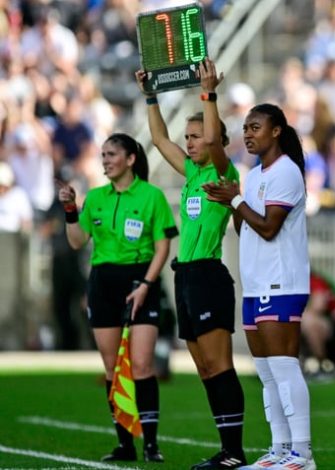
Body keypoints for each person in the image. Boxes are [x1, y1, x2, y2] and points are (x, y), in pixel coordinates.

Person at [136, 59, 247, 469]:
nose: (190, 142)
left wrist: (209, 93)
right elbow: (159, 137)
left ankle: (235, 452)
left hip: (208, 275)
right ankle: (226, 449)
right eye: (189, 137)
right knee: (203, 367)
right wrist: (150, 96)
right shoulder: (189, 174)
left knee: (219, 364)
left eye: (196, 136)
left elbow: (217, 141)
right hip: (186, 276)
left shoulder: (223, 170)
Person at [202, 103, 315, 470]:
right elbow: (245, 227)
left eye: (256, 127)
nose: (248, 134)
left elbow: (269, 227)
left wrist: (233, 198)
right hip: (256, 282)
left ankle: (302, 453)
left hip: (281, 281)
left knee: (283, 367)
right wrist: (234, 199)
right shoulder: (254, 175)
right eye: (246, 128)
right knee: (266, 371)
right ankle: (280, 448)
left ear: (277, 131)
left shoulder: (286, 173)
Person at [58, 133, 178, 462]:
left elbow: (163, 245)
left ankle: (151, 443)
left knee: (141, 364)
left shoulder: (152, 196)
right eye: (103, 155)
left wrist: (146, 284)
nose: (105, 160)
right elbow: (77, 240)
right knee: (112, 368)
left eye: (112, 154)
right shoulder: (96, 197)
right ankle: (125, 444)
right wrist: (70, 209)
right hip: (103, 284)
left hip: (141, 281)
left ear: (130, 159)